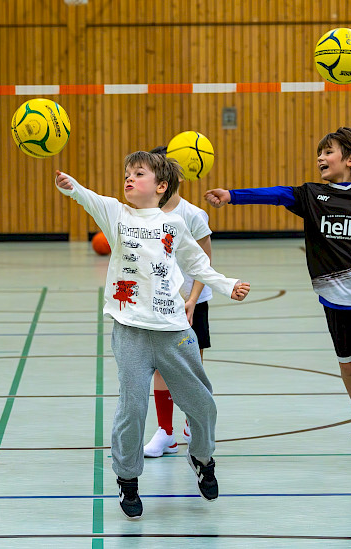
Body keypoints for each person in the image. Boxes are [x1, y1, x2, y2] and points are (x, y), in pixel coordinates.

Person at [204, 127, 351, 484]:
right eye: (320, 153)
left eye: (328, 152)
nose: (320, 158)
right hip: (336, 300)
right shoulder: (313, 195)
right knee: (349, 368)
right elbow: (278, 195)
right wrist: (232, 196)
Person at [55, 151, 250, 519]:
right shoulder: (116, 214)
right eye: (127, 173)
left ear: (161, 187)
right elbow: (89, 198)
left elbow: (197, 264)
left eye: (138, 174)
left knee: (203, 404)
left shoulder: (174, 225)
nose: (129, 179)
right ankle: (128, 480)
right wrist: (72, 187)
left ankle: (202, 457)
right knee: (132, 409)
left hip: (174, 332)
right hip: (129, 333)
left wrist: (229, 285)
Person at [143, 145, 214, 458]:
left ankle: (192, 425)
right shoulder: (141, 215)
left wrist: (192, 299)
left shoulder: (193, 215)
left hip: (192, 303)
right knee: (161, 367)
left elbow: (205, 263)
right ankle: (165, 432)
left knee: (190, 367)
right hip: (159, 304)